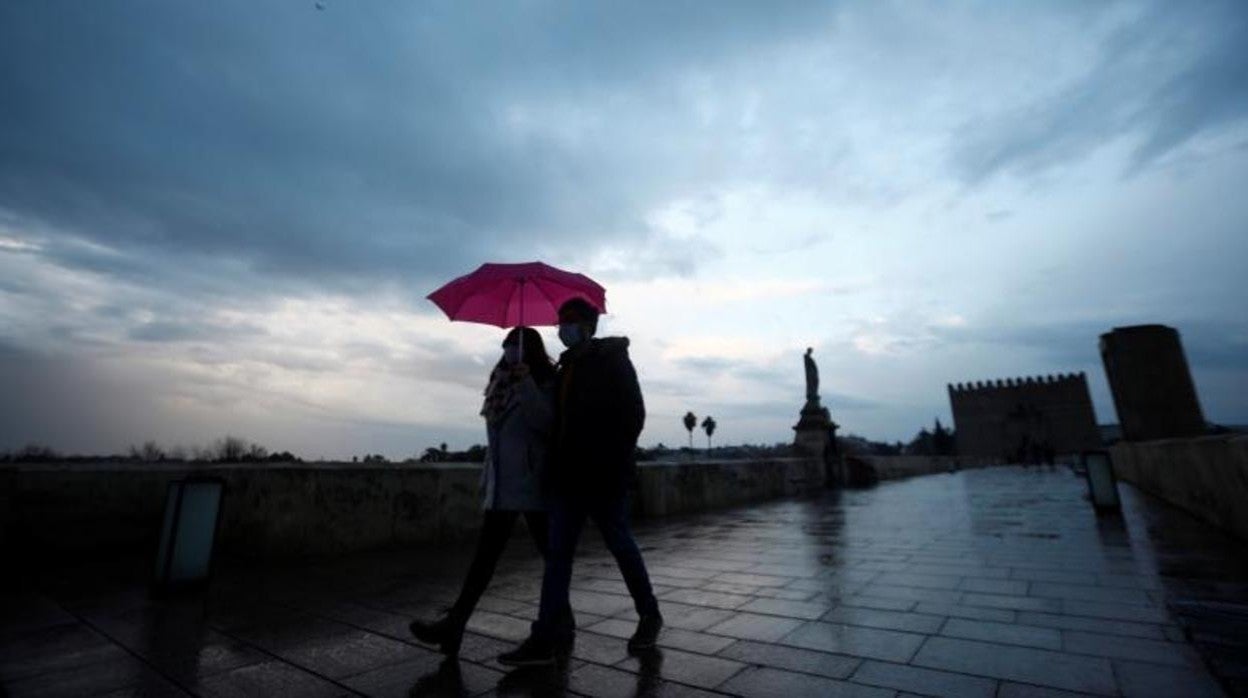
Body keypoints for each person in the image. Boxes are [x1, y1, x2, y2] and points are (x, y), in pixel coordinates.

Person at [499, 297, 662, 666]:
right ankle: (544, 636)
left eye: (569, 321)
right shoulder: (565, 369)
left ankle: (649, 614)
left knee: (620, 544)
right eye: (560, 322)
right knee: (558, 558)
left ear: (587, 325)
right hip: (567, 478)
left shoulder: (613, 360)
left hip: (604, 475)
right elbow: (553, 421)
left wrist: (609, 458)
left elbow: (634, 415)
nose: (562, 328)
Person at [409, 327, 572, 656]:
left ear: (531, 350)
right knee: (485, 560)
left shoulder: (545, 380)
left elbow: (544, 423)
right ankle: (454, 626)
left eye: (517, 345)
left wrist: (526, 383)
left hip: (532, 485)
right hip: (502, 486)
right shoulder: (499, 382)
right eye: (507, 345)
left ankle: (562, 624)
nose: (511, 350)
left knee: (550, 559)